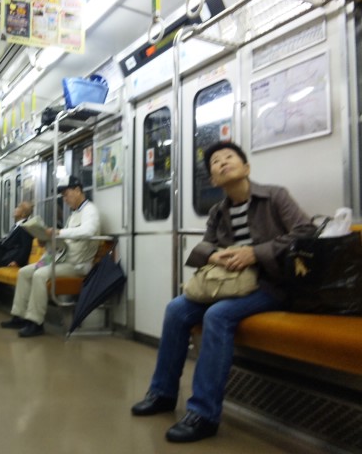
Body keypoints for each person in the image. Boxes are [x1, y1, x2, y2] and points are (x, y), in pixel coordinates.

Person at [130, 141, 315, 443]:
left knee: (217, 316)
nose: (223, 162)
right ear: (214, 180)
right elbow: (205, 245)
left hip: (271, 285)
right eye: (216, 162)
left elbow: (306, 232)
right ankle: (162, 393)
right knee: (176, 309)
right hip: (231, 285)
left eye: (229, 157)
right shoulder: (219, 211)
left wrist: (255, 253)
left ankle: (204, 413)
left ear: (246, 167)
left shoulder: (274, 196)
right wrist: (214, 255)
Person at [0, 176, 101, 338]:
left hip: (76, 265)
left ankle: (35, 322)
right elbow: (65, 242)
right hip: (61, 258)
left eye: (66, 194)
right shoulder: (73, 215)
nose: (65, 199)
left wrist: (59, 232)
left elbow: (88, 231)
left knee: (40, 275)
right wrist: (46, 241)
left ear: (77, 190)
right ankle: (19, 316)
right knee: (24, 272)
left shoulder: (90, 210)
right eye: (63, 196)